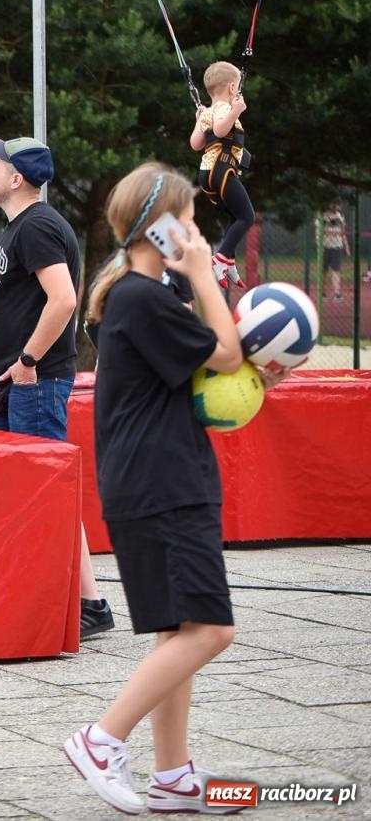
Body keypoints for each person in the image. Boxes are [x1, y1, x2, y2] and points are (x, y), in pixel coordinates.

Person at [64, 162, 260, 815]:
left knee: (178, 629)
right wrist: (204, 273)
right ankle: (101, 739)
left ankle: (173, 776)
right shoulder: (142, 299)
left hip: (154, 481)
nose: (200, 233)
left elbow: (211, 375)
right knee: (212, 630)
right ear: (163, 228)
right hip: (163, 485)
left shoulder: (140, 296)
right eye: (192, 222)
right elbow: (226, 355)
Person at [0, 135, 116, 642]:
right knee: (33, 490)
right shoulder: (23, 226)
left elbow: (63, 300)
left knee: (44, 490)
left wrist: (27, 361)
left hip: (34, 381)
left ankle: (87, 604)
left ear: (17, 178)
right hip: (19, 381)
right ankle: (72, 599)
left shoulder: (36, 226)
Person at [189, 61, 254, 289]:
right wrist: (236, 110)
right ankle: (220, 257)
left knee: (234, 216)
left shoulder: (207, 112)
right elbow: (220, 130)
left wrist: (199, 120)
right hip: (222, 171)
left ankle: (229, 262)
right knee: (247, 217)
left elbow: (195, 144)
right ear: (232, 88)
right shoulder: (225, 109)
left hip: (206, 174)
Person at [322, 202, 347, 302]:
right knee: (323, 271)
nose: (338, 206)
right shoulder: (324, 215)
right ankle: (322, 293)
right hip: (325, 246)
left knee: (336, 270)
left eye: (339, 204)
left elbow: (342, 232)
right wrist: (333, 232)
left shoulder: (341, 216)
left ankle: (337, 294)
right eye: (336, 204)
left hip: (337, 246)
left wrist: (346, 246)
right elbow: (321, 230)